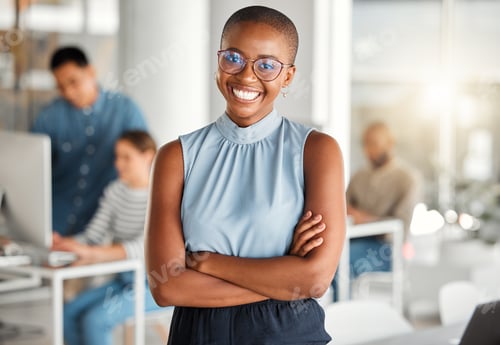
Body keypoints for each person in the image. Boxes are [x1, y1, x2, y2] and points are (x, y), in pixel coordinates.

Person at [145, 5, 346, 344]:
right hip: (198, 336)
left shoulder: (317, 151)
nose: (247, 76)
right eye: (234, 58)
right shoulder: (176, 157)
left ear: (288, 76)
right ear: (218, 61)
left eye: (267, 65)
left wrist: (206, 262)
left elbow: (314, 280)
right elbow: (166, 287)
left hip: (289, 333)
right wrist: (283, 274)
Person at [52, 130, 161, 345]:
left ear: (148, 156)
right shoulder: (115, 191)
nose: (118, 164)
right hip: (123, 282)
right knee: (68, 312)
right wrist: (67, 245)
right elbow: (93, 236)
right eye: (117, 157)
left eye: (126, 157)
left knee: (96, 320)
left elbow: (143, 247)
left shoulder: (161, 192)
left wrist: (92, 254)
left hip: (157, 283)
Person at [31, 46, 148, 236]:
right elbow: (31, 167)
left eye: (73, 82)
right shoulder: (49, 117)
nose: (68, 92)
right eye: (60, 86)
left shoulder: (125, 111)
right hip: (54, 224)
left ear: (91, 72)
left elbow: (144, 162)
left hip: (103, 226)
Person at [344, 121, 421, 284]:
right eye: (365, 144)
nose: (368, 150)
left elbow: (401, 226)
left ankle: (343, 309)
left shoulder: (407, 179)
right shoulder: (359, 177)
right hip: (353, 241)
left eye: (373, 143)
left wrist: (363, 219)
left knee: (343, 262)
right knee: (326, 256)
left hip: (387, 250)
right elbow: (343, 208)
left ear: (390, 143)